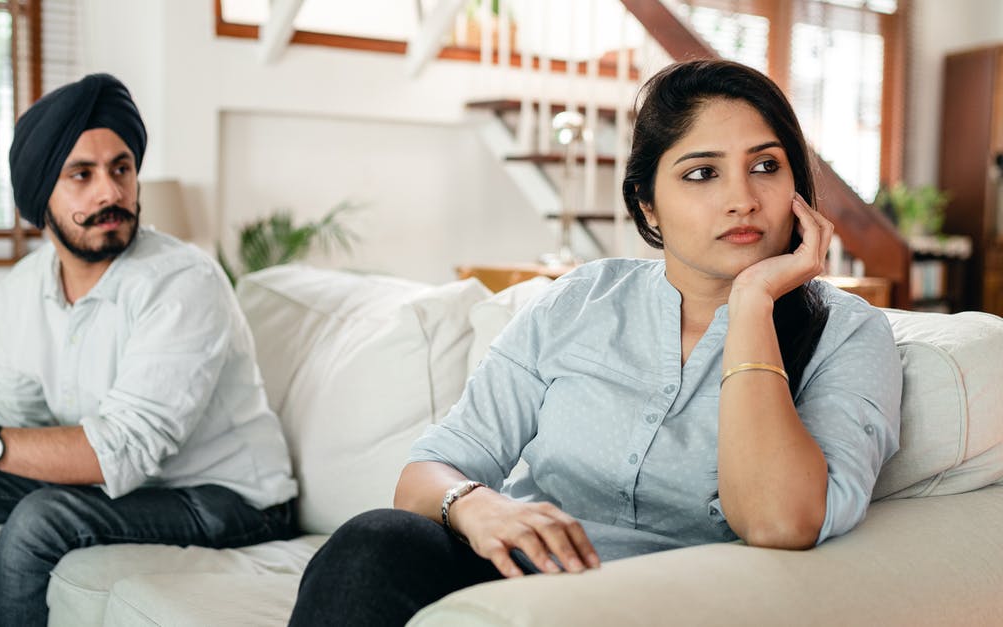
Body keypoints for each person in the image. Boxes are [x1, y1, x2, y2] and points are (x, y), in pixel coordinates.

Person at [288, 59, 902, 626]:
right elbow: (425, 474)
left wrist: (752, 303)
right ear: (648, 206)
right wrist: (481, 507)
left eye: (766, 166)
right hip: (515, 584)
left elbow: (778, 519)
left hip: (674, 604)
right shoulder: (578, 301)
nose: (742, 199)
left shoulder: (848, 333)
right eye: (702, 173)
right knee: (374, 543)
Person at [0, 73, 298, 627]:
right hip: (129, 486)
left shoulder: (182, 282)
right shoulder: (25, 287)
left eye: (121, 169)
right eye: (82, 174)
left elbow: (121, 451)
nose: (111, 193)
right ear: (40, 196)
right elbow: (12, 419)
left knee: (41, 518)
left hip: (232, 501)